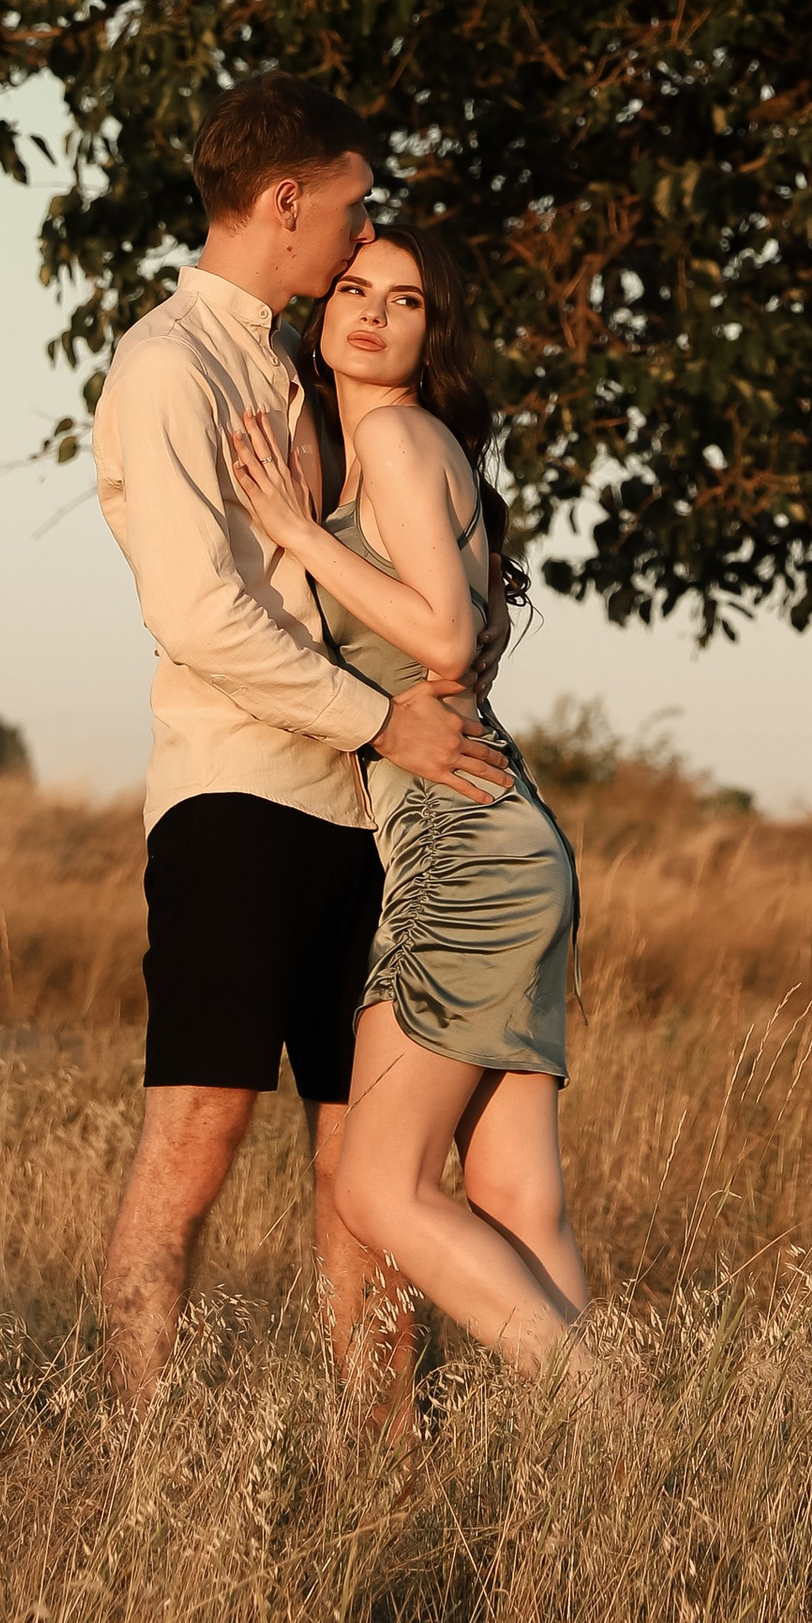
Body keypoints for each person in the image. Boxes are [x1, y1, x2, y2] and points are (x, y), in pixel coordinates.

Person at [93, 73, 510, 1409]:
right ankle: (131, 1466)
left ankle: (378, 1473)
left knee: (368, 1169)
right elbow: (202, 614)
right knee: (197, 1139)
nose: (358, 234)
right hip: (238, 801)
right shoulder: (168, 362)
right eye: (349, 206)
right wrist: (388, 713)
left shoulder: (300, 360)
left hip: (369, 813)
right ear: (288, 201)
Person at [229, 220, 588, 1383]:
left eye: (408, 299)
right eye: (352, 287)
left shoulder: (390, 434)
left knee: (379, 1188)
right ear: (321, 309)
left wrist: (292, 534)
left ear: (437, 334)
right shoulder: (426, 450)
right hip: (512, 835)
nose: (373, 311)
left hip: (462, 848)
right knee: (514, 1197)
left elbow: (438, 634)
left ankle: (620, 1423)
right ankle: (610, 1498)